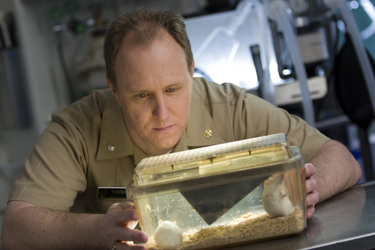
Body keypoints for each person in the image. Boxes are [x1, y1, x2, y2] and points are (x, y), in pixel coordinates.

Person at [1, 8, 361, 250]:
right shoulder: (77, 129)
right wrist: (99, 230)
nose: (162, 112)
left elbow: (342, 159)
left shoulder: (228, 106)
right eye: (142, 95)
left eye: (173, 89)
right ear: (113, 88)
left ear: (191, 70)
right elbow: (16, 227)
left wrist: (312, 188)